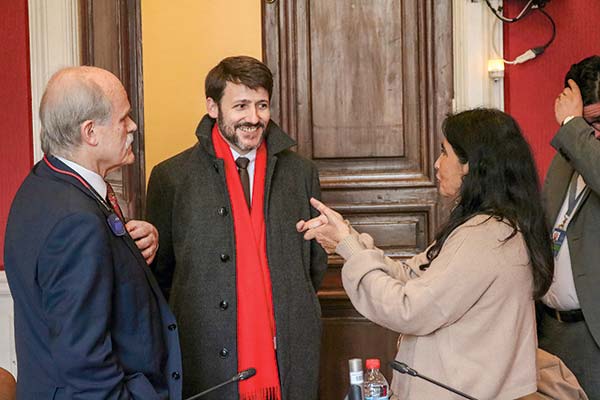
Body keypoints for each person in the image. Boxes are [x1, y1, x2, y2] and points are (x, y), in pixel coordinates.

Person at [297, 108, 554, 400]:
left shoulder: (483, 236)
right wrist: (347, 238)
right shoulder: (494, 226)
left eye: (444, 153)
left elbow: (408, 308)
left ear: (470, 165)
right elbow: (412, 275)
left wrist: (348, 245)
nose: (436, 163)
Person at [145, 56, 327, 400]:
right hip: (203, 354)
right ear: (213, 107)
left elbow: (313, 264)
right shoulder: (171, 177)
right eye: (241, 105)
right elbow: (161, 273)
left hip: (288, 351)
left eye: (262, 105)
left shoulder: (301, 174)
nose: (253, 118)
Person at [3, 66, 182, 399]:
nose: (133, 127)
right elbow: (85, 362)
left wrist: (132, 249)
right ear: (90, 132)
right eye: (123, 118)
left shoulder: (44, 184)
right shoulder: (76, 221)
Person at [540, 55, 600, 398]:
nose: (593, 133)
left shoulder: (578, 142)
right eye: (587, 124)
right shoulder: (566, 156)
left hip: (592, 335)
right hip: (552, 330)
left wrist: (573, 123)